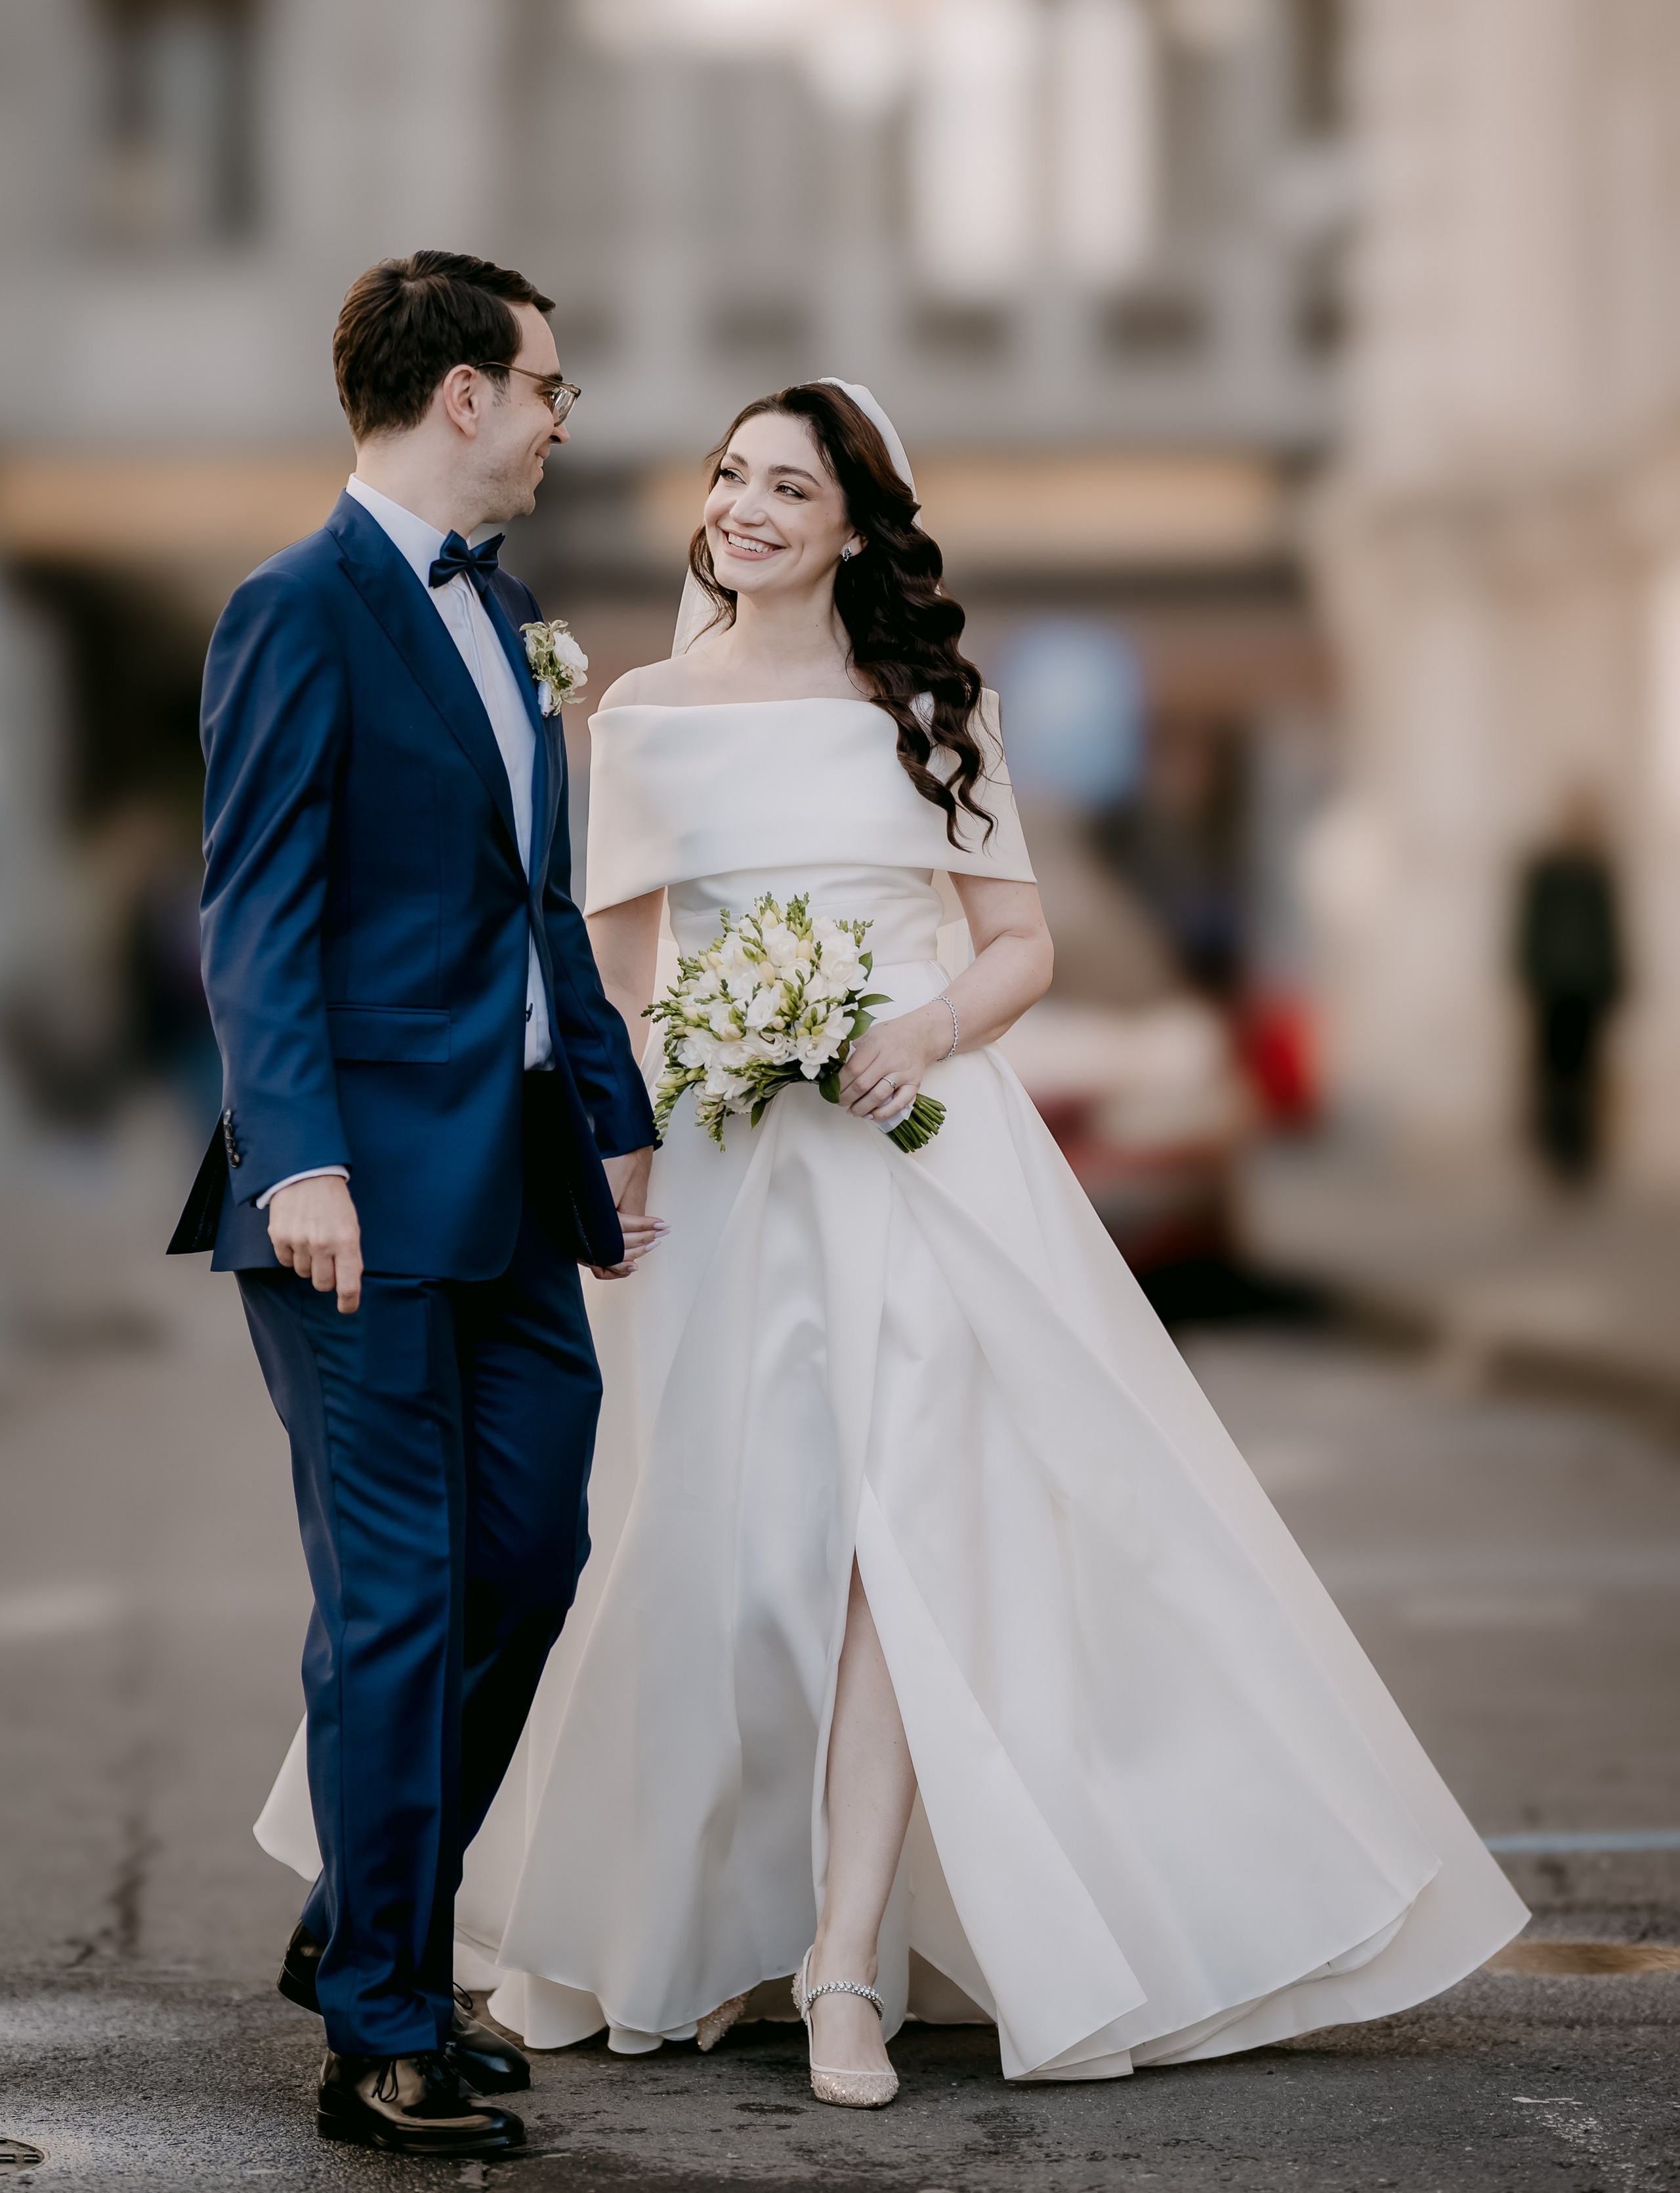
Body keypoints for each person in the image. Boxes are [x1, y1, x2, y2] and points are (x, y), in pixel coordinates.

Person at [258, 379, 1528, 2103]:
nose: (747, 507)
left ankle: (843, 1959)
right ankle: (678, 1915)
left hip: (919, 1164)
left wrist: (919, 1031)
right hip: (717, 1169)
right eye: (731, 479)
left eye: (790, 485)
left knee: (899, 1538)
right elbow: (616, 976)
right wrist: (620, 1150)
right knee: (698, 1545)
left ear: (856, 524)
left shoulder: (934, 708)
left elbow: (1019, 947)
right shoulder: (636, 714)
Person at [169, 252, 662, 2154]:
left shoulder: (516, 618)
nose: (557, 421)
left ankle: (352, 1920)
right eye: (548, 387)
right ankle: (385, 2019)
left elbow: (539, 914)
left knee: (530, 1564)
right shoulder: (294, 610)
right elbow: (257, 905)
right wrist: (297, 1157)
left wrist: (610, 1127)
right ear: (463, 393)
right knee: (398, 1596)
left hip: (516, 1186)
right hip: (349, 1198)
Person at [1515, 797, 1624, 1184]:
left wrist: (1614, 982)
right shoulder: (1548, 871)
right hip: (1554, 988)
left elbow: (1609, 931)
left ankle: (1580, 1151)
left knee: (1586, 1072)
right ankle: (1557, 1148)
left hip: (1587, 989)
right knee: (1553, 1071)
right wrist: (1529, 974)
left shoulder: (1597, 870)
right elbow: (1531, 927)